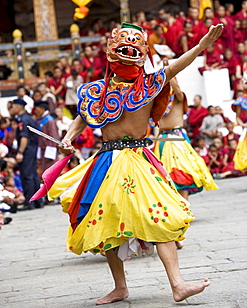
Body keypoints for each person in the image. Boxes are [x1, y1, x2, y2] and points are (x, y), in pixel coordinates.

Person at [44, 22, 223, 305]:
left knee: (160, 217)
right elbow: (82, 117)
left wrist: (201, 47)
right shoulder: (96, 91)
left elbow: (176, 66)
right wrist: (68, 138)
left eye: (135, 45)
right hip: (106, 161)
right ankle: (120, 287)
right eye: (122, 46)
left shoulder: (152, 83)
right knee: (105, 224)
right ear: (111, 53)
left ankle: (177, 284)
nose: (129, 50)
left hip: (139, 158)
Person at [154, 77, 217, 216]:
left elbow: (176, 89)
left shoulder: (178, 98)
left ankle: (185, 209)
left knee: (183, 174)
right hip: (161, 141)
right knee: (164, 177)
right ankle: (175, 211)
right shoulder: (155, 101)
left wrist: (169, 71)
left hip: (176, 139)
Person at [10, 99, 42, 210]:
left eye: (13, 107)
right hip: (32, 148)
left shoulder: (22, 120)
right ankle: (38, 201)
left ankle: (30, 202)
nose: (11, 109)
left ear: (18, 108)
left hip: (27, 149)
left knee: (27, 175)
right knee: (33, 174)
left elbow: (24, 137)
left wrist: (20, 152)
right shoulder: (28, 118)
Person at [34, 101, 60, 174]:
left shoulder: (49, 120)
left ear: (42, 109)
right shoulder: (41, 120)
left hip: (48, 152)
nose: (36, 112)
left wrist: (49, 154)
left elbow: (53, 137)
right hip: (43, 150)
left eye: (37, 109)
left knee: (50, 172)